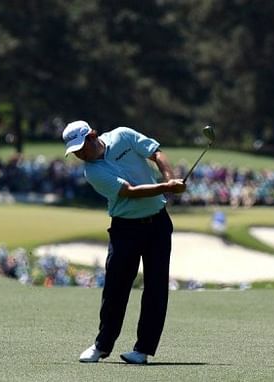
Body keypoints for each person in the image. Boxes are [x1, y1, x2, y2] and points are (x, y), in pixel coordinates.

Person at [62, 120, 186, 365]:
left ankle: (143, 350)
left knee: (156, 287)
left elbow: (156, 152)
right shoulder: (92, 171)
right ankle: (102, 345)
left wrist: (170, 179)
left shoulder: (123, 136)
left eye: (81, 148)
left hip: (158, 224)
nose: (79, 154)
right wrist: (166, 187)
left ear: (93, 136)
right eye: (74, 152)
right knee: (115, 289)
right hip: (125, 228)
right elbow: (129, 191)